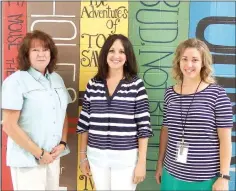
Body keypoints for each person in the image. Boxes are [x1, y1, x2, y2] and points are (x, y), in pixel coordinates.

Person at [77, 34, 153, 190]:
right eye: (111, 50)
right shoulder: (93, 84)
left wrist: (142, 162)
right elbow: (84, 123)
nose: (116, 56)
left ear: (127, 56)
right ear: (105, 54)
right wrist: (82, 156)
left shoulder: (136, 85)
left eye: (121, 51)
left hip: (125, 159)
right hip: (96, 157)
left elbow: (143, 127)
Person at [155, 38, 233, 191]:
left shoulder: (217, 94)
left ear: (203, 63)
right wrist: (159, 164)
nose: (188, 65)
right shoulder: (170, 94)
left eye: (195, 60)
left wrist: (223, 177)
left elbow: (225, 140)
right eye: (184, 59)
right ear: (178, 61)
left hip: (204, 178)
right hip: (171, 175)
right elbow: (166, 130)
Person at [2, 30, 72, 190]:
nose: (41, 54)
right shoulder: (16, 82)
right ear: (26, 54)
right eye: (35, 50)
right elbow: (9, 126)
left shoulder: (56, 79)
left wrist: (62, 142)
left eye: (45, 50)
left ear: (51, 53)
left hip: (52, 158)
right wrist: (39, 153)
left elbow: (62, 113)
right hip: (27, 161)